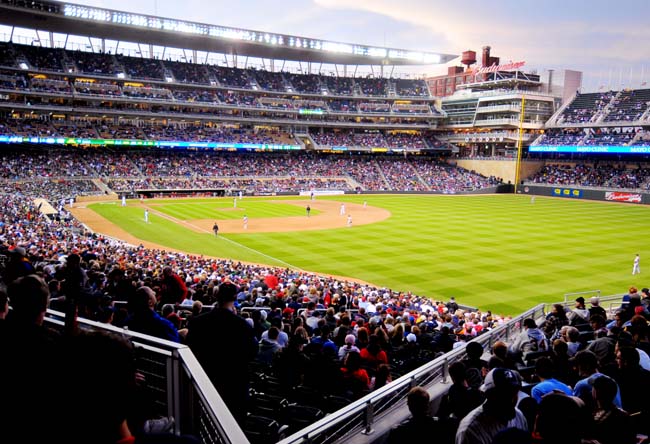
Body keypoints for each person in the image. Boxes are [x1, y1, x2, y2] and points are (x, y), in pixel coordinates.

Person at [185, 281, 258, 422]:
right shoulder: (242, 325)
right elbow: (252, 353)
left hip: (204, 381)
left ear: (216, 296)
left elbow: (190, 349)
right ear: (235, 298)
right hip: (234, 385)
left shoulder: (197, 322)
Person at [455, 367, 528, 444]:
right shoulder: (469, 431)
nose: (512, 399)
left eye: (514, 392)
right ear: (489, 395)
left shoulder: (519, 416)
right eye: (505, 394)